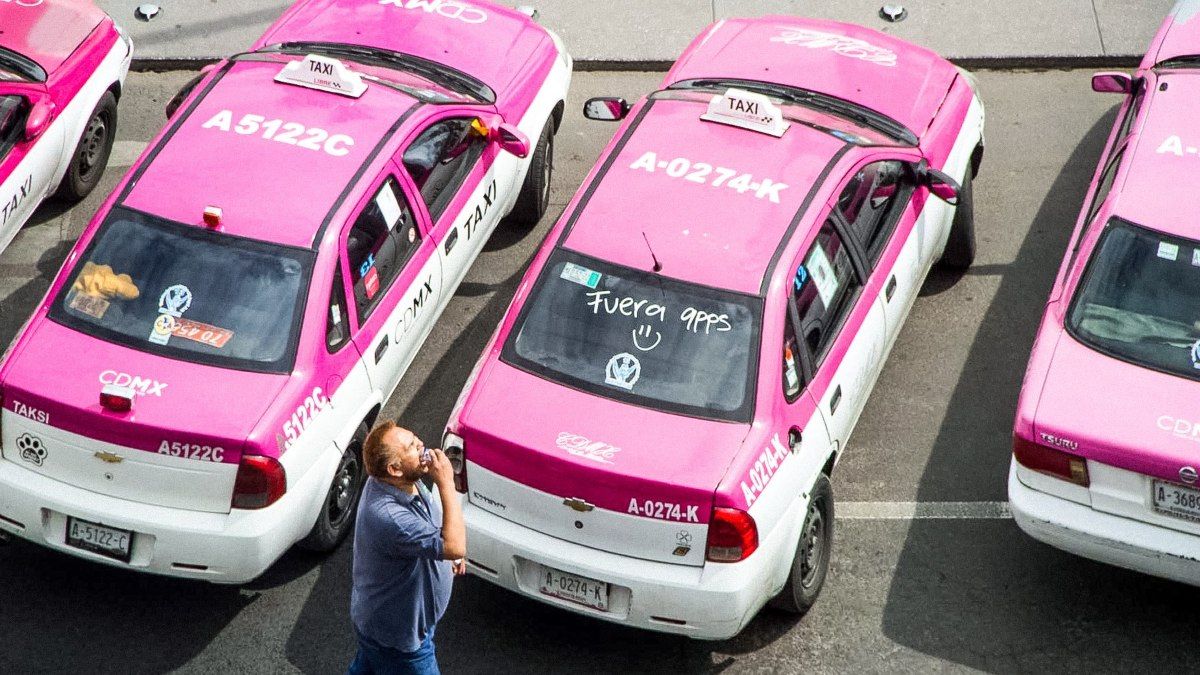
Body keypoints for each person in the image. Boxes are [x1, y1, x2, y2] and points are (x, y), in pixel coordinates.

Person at [349, 421, 466, 675]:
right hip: (400, 643)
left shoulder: (403, 479)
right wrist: (446, 483)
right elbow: (455, 546)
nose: (421, 445)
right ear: (394, 469)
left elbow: (431, 522)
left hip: (387, 626)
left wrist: (447, 559)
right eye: (412, 446)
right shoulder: (389, 517)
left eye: (415, 438)